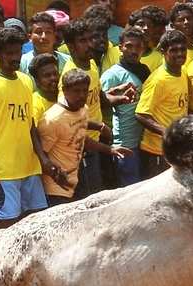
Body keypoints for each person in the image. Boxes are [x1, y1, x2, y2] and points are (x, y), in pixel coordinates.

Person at [0, 27, 51, 228]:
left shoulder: (26, 81)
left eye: (18, 52)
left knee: (37, 226)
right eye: (9, 53)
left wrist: (43, 159)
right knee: (5, 230)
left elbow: (30, 125)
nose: (15, 57)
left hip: (30, 168)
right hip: (2, 172)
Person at [37, 68, 131, 206]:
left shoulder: (83, 109)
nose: (81, 95)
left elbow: (80, 138)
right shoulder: (52, 120)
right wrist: (55, 173)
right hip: (56, 190)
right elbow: (41, 155)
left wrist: (110, 150)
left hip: (76, 182)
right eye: (76, 91)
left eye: (84, 91)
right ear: (64, 90)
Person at [60, 18, 107, 198]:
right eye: (82, 41)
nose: (89, 45)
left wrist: (118, 95)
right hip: (82, 149)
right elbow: (70, 122)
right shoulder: (70, 77)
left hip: (96, 144)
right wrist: (101, 128)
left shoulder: (92, 64)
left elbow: (99, 97)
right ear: (71, 46)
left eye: (90, 39)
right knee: (88, 199)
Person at [135, 29, 188, 178]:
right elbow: (141, 114)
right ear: (163, 51)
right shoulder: (158, 80)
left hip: (175, 150)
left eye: (182, 49)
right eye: (174, 50)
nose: (179, 54)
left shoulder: (182, 72)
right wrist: (167, 132)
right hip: (156, 151)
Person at [100, 26, 147, 186]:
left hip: (144, 141)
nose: (134, 51)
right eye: (129, 46)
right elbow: (101, 105)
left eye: (138, 47)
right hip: (125, 144)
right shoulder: (112, 75)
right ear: (120, 47)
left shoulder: (144, 70)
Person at [20, 12, 70, 78]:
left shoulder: (67, 61)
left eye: (48, 32)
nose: (44, 37)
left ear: (54, 35)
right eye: (39, 32)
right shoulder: (22, 63)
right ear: (30, 36)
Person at [127, 6, 167, 73]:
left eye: (150, 26)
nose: (146, 28)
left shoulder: (159, 58)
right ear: (132, 27)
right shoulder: (114, 52)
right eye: (140, 24)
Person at [29, 53, 59, 123]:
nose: (53, 78)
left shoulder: (64, 97)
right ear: (37, 80)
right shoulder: (34, 104)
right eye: (47, 75)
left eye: (55, 73)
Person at [169, 3, 193, 67]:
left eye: (189, 18)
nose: (186, 22)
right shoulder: (171, 50)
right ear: (172, 26)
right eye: (181, 20)